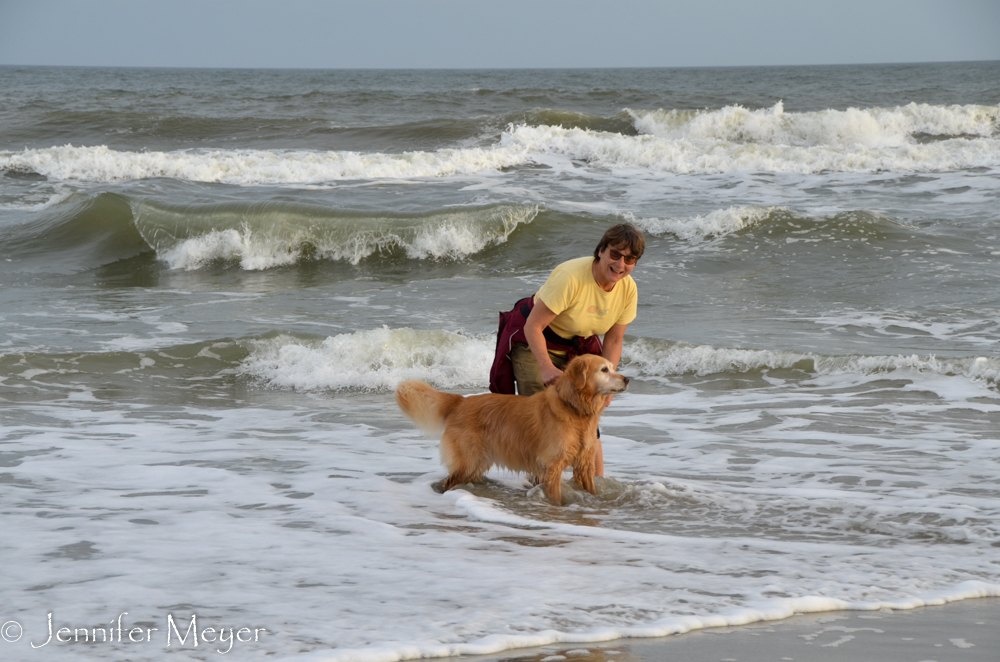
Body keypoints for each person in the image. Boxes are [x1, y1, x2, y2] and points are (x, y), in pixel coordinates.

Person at [509, 223, 644, 477]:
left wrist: (608, 383)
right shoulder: (571, 277)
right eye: (615, 254)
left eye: (629, 259)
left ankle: (593, 490)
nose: (620, 263)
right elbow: (533, 326)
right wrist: (547, 368)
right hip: (537, 342)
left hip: (578, 350)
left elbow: (614, 340)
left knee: (588, 417)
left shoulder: (628, 289)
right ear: (601, 250)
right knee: (545, 420)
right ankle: (540, 494)